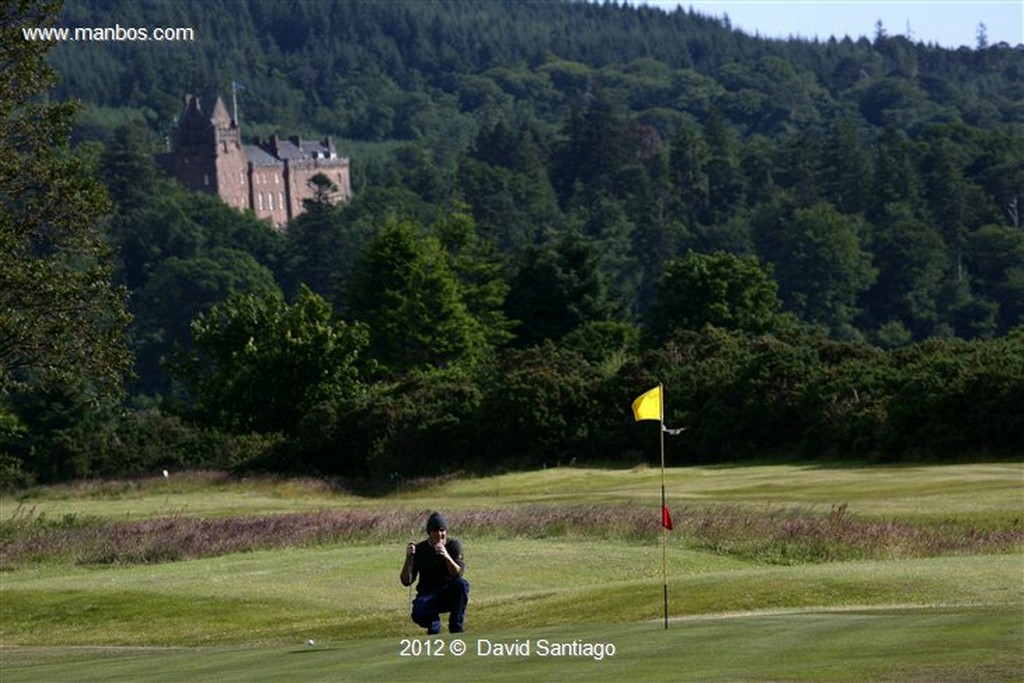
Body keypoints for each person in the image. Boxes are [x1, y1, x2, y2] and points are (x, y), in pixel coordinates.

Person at [400, 511, 469, 634]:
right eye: (435, 531)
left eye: (442, 530)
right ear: (429, 532)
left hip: (448, 593)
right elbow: (406, 581)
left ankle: (456, 629)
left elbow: (458, 573)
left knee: (462, 584)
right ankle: (434, 626)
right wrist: (408, 558)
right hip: (428, 595)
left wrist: (446, 556)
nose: (439, 534)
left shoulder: (453, 545)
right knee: (418, 614)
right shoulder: (420, 549)